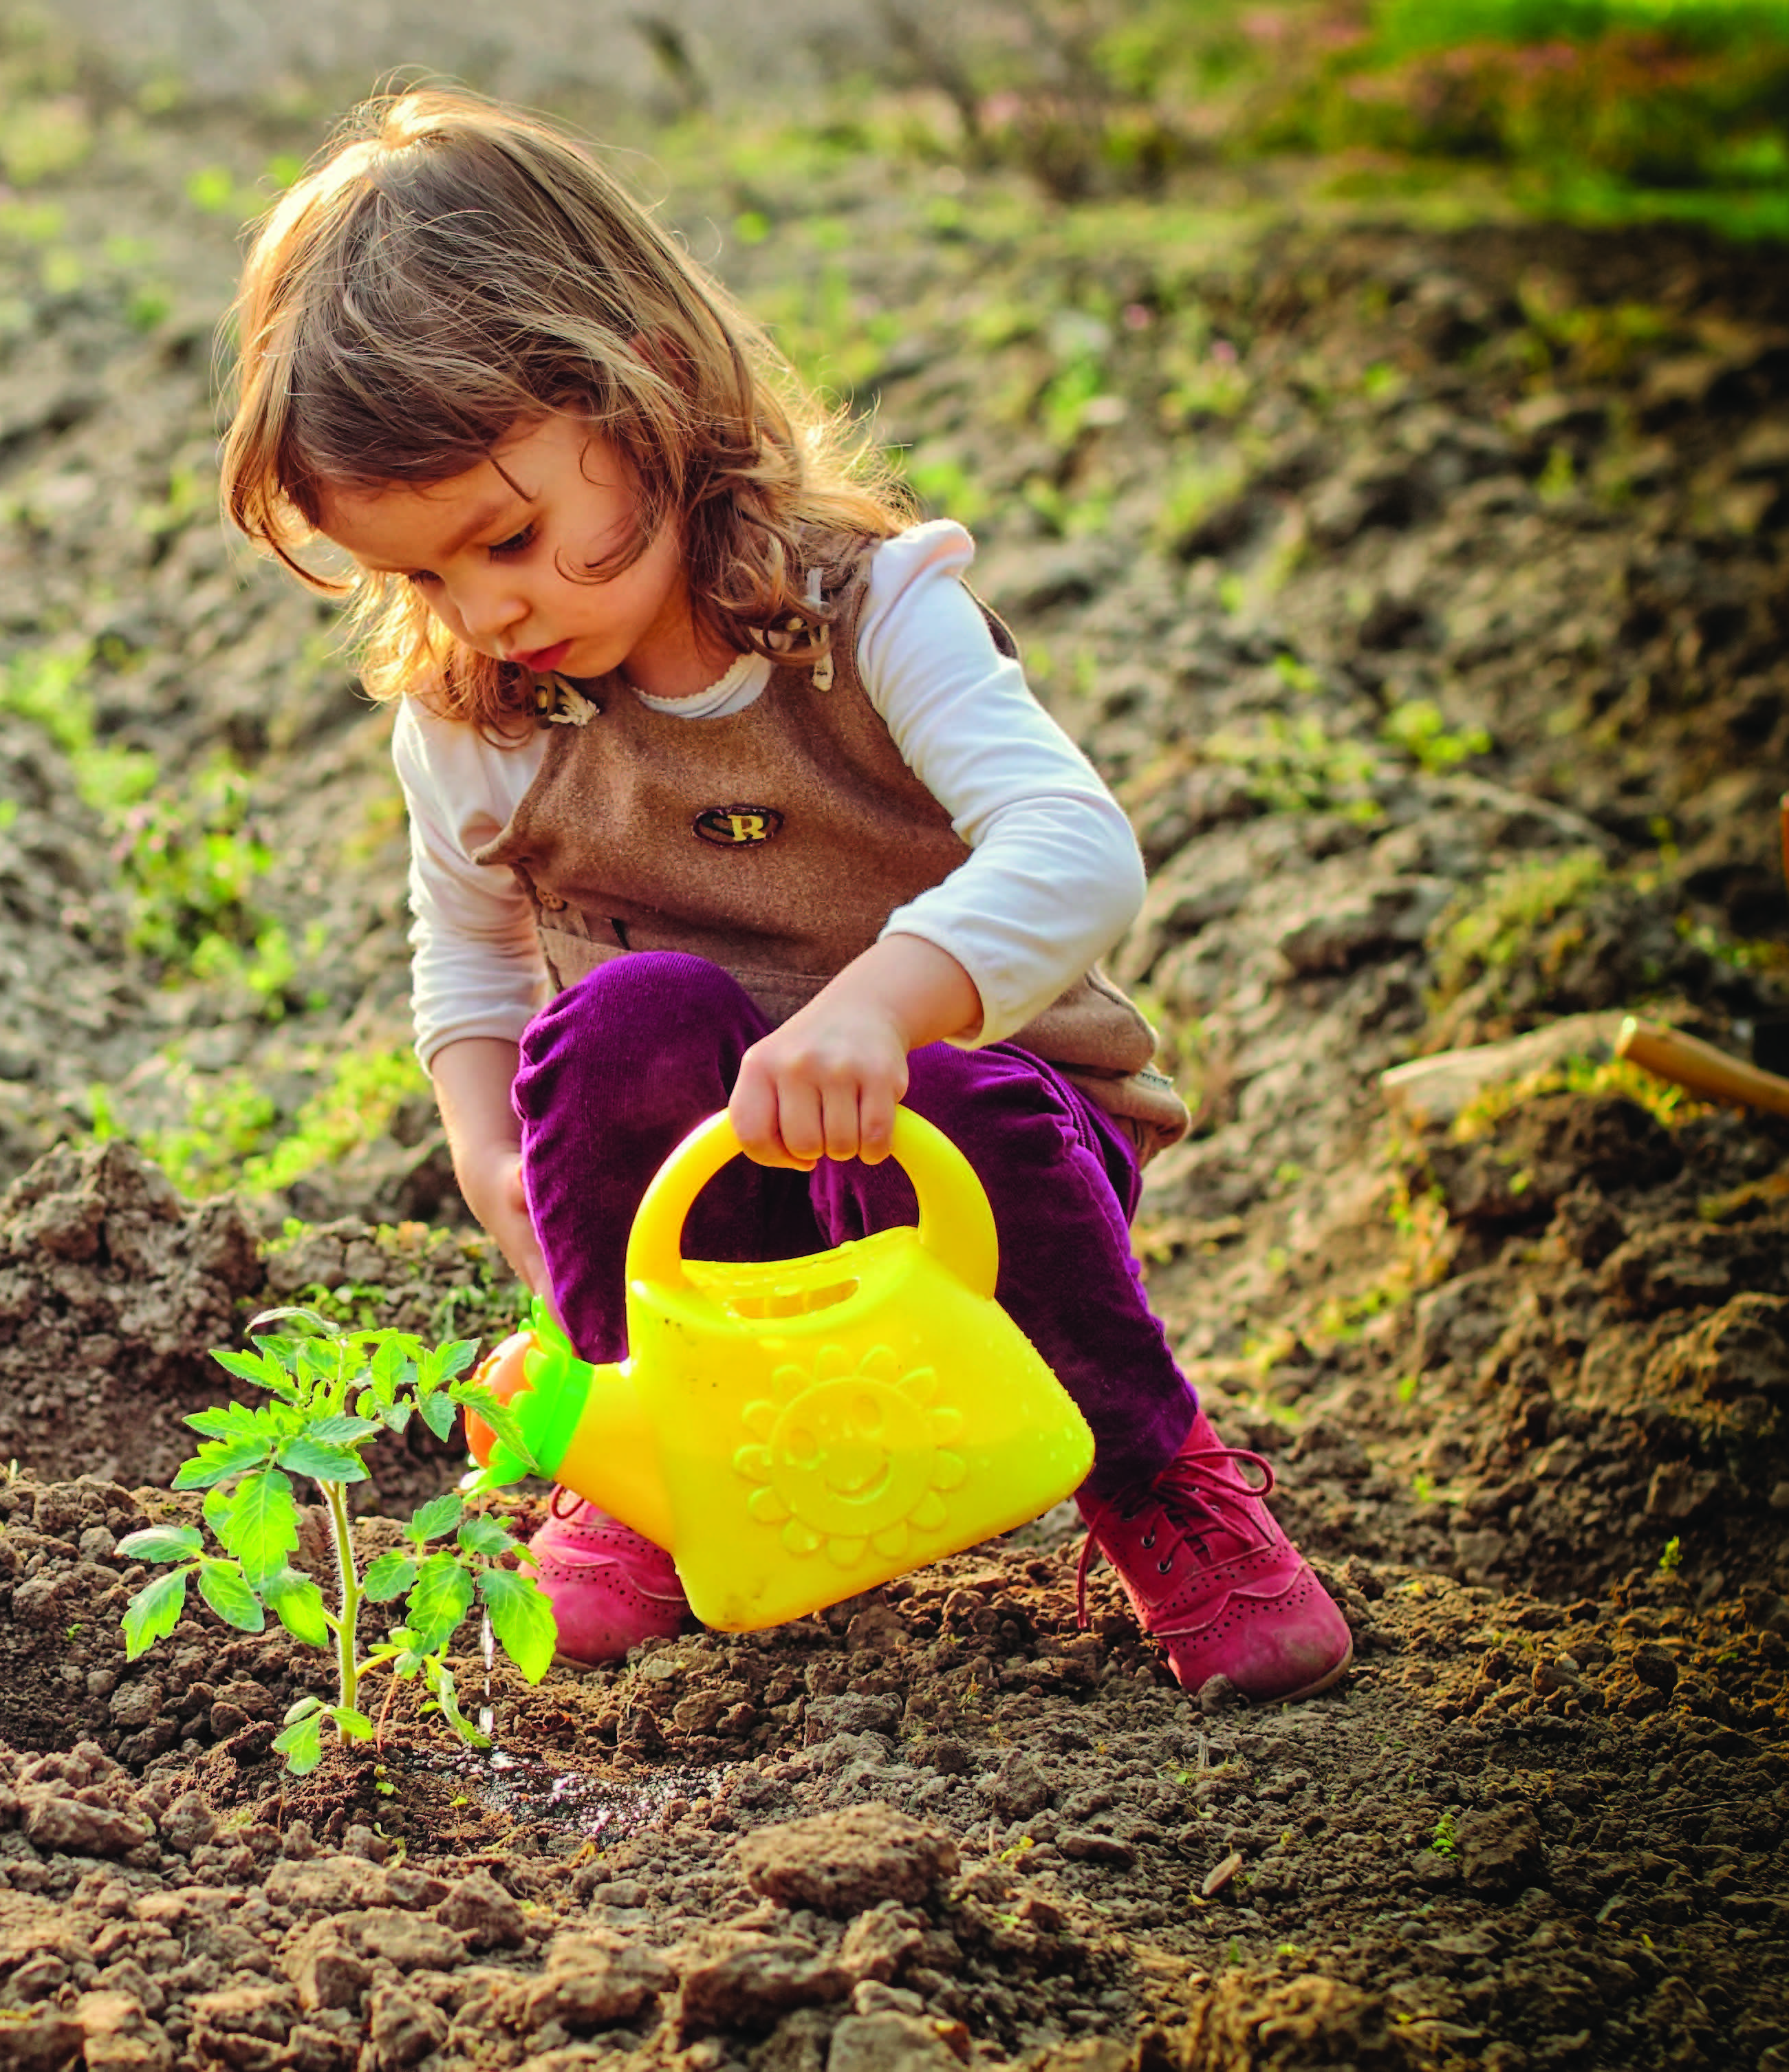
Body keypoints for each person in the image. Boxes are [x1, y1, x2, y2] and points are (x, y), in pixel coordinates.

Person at [215, 85, 1351, 1705]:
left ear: (648, 394)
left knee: (958, 1093)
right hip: (702, 1190)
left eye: (511, 538)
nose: (484, 609)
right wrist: (483, 1150)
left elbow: (1076, 845)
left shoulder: (874, 614)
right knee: (621, 1024)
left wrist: (881, 1009)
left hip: (979, 1164)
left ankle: (1155, 1475)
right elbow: (463, 949)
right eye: (424, 575)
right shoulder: (480, 713)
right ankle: (654, 1467)